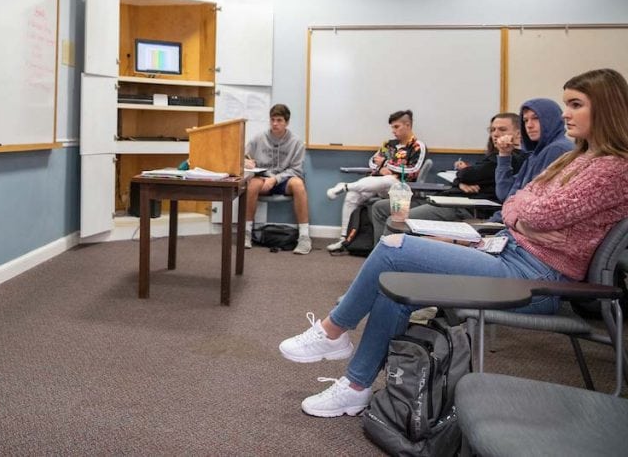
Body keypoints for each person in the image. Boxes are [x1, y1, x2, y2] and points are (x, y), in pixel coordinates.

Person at [277, 68, 628, 419]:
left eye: (576, 104)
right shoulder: (576, 158)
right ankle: (355, 387)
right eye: (567, 103)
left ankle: (333, 330)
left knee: (394, 247)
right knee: (393, 286)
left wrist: (525, 217)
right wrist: (524, 217)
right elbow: (518, 203)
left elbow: (539, 214)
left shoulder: (613, 168)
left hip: (537, 280)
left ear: (608, 108)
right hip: (511, 252)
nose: (566, 113)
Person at [368, 113, 525, 242]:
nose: (496, 134)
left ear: (518, 134)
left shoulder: (511, 158)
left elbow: (467, 174)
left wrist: (462, 178)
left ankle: (388, 264)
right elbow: (464, 175)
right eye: (493, 130)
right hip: (446, 199)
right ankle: (381, 256)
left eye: (502, 130)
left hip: (461, 207)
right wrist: (461, 181)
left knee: (393, 219)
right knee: (379, 207)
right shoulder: (494, 156)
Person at [325, 110, 427, 252]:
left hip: (399, 190)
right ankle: (344, 240)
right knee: (352, 196)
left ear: (408, 125)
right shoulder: (389, 144)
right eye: (392, 127)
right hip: (377, 185)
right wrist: (382, 167)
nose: (393, 131)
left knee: (390, 179)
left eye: (396, 127)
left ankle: (346, 186)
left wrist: (386, 164)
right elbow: (372, 162)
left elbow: (413, 169)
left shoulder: (417, 146)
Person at [243, 104, 311, 254]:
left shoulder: (296, 142)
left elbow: (296, 170)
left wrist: (275, 180)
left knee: (299, 185)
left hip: (284, 180)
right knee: (252, 185)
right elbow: (241, 156)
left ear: (286, 122)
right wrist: (246, 161)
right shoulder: (259, 138)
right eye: (272, 120)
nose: (275, 123)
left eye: (279, 120)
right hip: (263, 179)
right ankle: (246, 232)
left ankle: (304, 237)